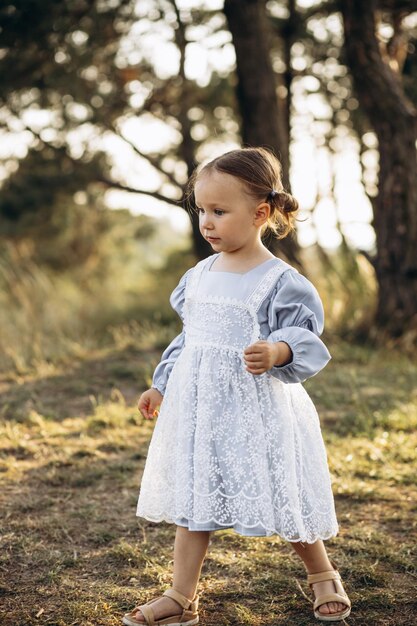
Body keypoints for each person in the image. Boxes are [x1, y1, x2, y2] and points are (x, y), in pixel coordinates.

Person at [123, 147, 351, 625]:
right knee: (195, 497)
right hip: (201, 407)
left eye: (220, 212)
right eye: (201, 210)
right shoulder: (199, 276)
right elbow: (190, 338)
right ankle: (181, 597)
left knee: (279, 488)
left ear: (260, 214)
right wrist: (160, 385)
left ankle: (323, 574)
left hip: (257, 408)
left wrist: (278, 351)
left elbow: (307, 338)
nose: (207, 222)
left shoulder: (278, 281)